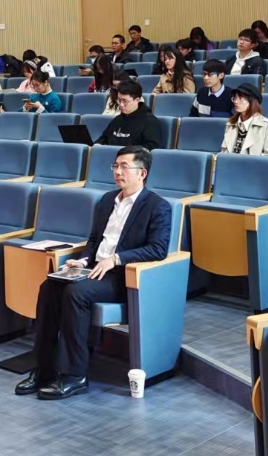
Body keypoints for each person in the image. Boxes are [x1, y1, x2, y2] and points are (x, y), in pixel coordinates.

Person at [16, 147, 172, 400]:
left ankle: (74, 375)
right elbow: (93, 241)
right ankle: (44, 369)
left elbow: (158, 249)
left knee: (76, 292)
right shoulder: (107, 200)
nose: (117, 172)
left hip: (123, 276)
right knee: (49, 287)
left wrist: (117, 259)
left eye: (124, 167)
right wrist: (82, 260)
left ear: (142, 173)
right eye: (115, 166)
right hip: (94, 269)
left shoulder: (157, 206)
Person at [97, 79, 162, 149]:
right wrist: (97, 145)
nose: (121, 104)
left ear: (137, 100)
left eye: (125, 101)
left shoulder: (150, 122)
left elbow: (150, 146)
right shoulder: (117, 120)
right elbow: (104, 138)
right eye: (119, 100)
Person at [221, 86, 268, 155]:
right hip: (230, 161)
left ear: (252, 101)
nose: (236, 101)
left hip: (253, 162)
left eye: (240, 98)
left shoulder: (266, 126)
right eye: (235, 98)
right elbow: (224, 153)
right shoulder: (230, 124)